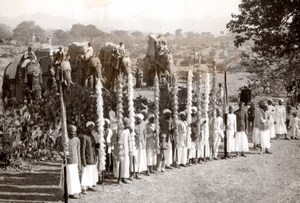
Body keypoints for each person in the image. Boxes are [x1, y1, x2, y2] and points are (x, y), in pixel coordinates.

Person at [80, 121, 98, 194]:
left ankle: (89, 185)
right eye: (90, 127)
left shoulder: (93, 137)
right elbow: (82, 149)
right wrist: (83, 160)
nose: (91, 129)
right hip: (87, 158)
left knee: (91, 172)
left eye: (92, 127)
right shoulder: (84, 137)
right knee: (85, 172)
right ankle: (83, 187)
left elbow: (95, 147)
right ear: (87, 128)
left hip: (93, 157)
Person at [66, 125, 81, 199]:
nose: (72, 133)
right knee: (67, 178)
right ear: (68, 131)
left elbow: (78, 151)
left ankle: (72, 193)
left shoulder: (77, 140)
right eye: (71, 131)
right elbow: (58, 149)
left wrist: (79, 163)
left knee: (74, 178)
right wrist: (63, 155)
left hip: (75, 162)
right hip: (67, 162)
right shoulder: (64, 139)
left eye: (74, 131)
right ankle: (66, 192)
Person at [114, 117, 131, 184]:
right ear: (123, 124)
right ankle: (119, 178)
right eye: (127, 124)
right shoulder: (119, 130)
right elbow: (116, 140)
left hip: (126, 149)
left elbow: (129, 140)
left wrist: (130, 149)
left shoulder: (128, 131)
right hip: (119, 149)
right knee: (119, 164)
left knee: (125, 164)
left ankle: (124, 177)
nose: (128, 125)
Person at [133, 114, 147, 178]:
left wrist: (144, 143)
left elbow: (144, 134)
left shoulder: (143, 125)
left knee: (140, 158)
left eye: (139, 119)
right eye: (137, 119)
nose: (138, 120)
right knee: (135, 158)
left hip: (141, 144)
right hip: (135, 144)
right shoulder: (133, 125)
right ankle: (133, 172)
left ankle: (137, 172)